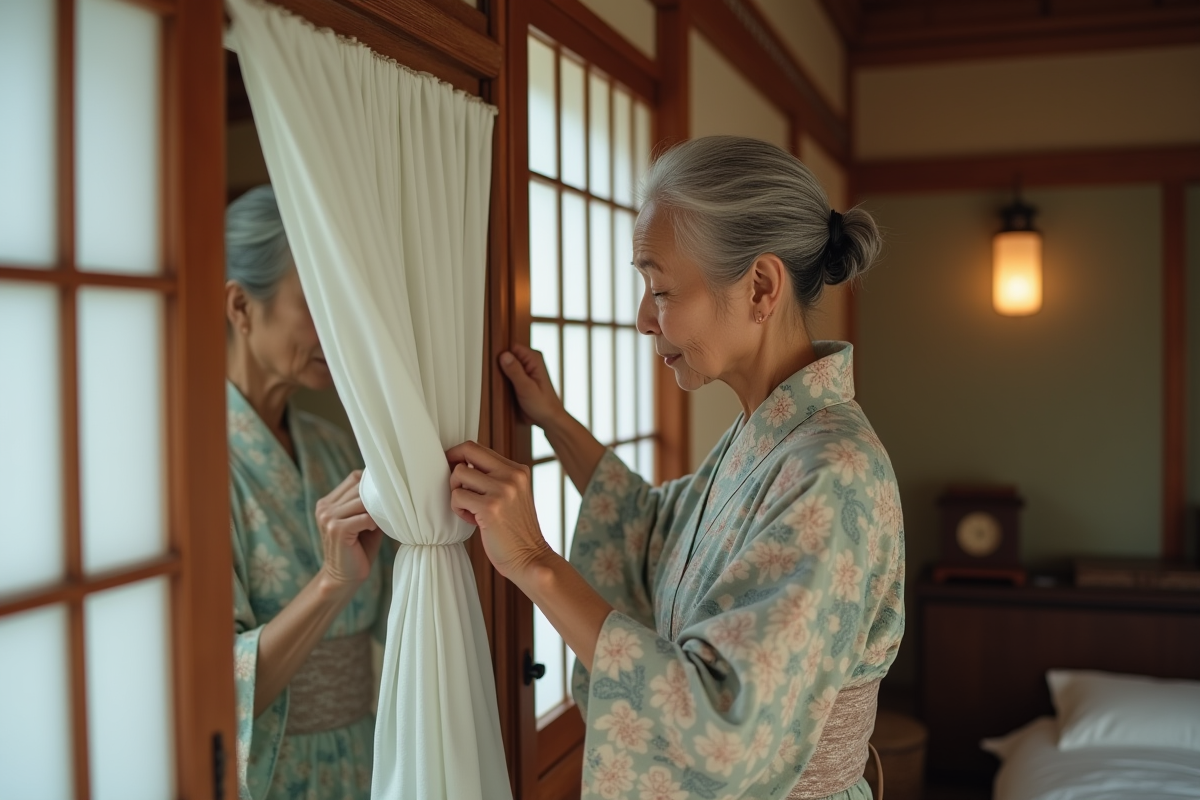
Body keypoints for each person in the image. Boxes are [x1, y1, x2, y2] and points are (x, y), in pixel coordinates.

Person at [448, 136, 904, 799]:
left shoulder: (832, 470)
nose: (641, 318)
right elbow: (651, 530)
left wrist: (530, 559)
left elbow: (720, 721)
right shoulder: (770, 434)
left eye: (658, 288)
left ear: (760, 286)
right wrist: (551, 419)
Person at [225, 185, 393, 800]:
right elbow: (218, 685)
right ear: (242, 307)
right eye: (313, 301)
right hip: (274, 773)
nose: (337, 328)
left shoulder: (334, 446)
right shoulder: (191, 469)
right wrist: (331, 581)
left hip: (367, 754)